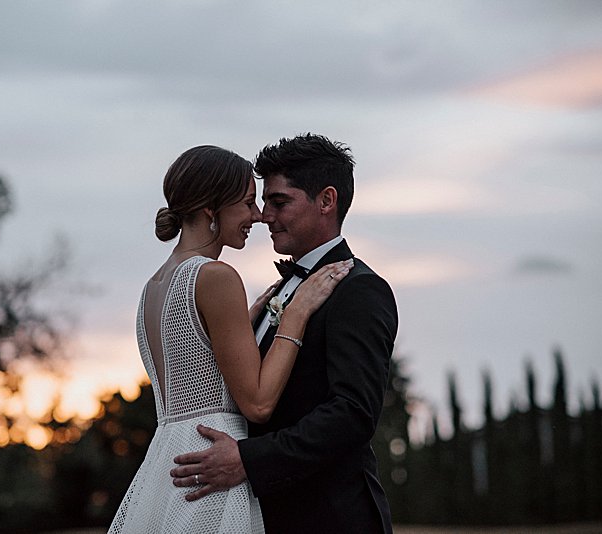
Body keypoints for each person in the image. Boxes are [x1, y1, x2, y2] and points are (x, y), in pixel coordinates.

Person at [108, 145, 353, 533]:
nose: (257, 216)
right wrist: (296, 312)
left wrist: (246, 321)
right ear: (210, 208)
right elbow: (257, 403)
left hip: (168, 464)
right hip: (213, 464)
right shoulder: (216, 276)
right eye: (246, 203)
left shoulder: (153, 287)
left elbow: (197, 364)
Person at [170, 134, 398, 533]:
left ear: (326, 201)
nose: (264, 216)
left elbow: (352, 414)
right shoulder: (277, 292)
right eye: (262, 203)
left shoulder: (359, 289)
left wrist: (249, 460)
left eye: (279, 202)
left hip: (331, 517)